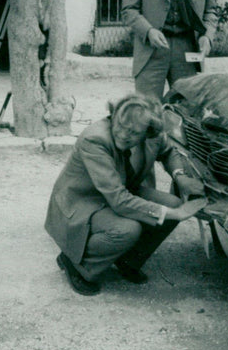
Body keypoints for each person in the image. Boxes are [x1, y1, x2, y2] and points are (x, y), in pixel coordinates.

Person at [45, 93, 207, 296]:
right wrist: (178, 214)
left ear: (148, 131)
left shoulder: (153, 133)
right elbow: (119, 200)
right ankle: (77, 263)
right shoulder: (95, 139)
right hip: (83, 201)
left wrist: (180, 176)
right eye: (120, 126)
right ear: (114, 116)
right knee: (127, 230)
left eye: (133, 132)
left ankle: (127, 260)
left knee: (172, 204)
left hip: (120, 190)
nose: (123, 134)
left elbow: (169, 152)